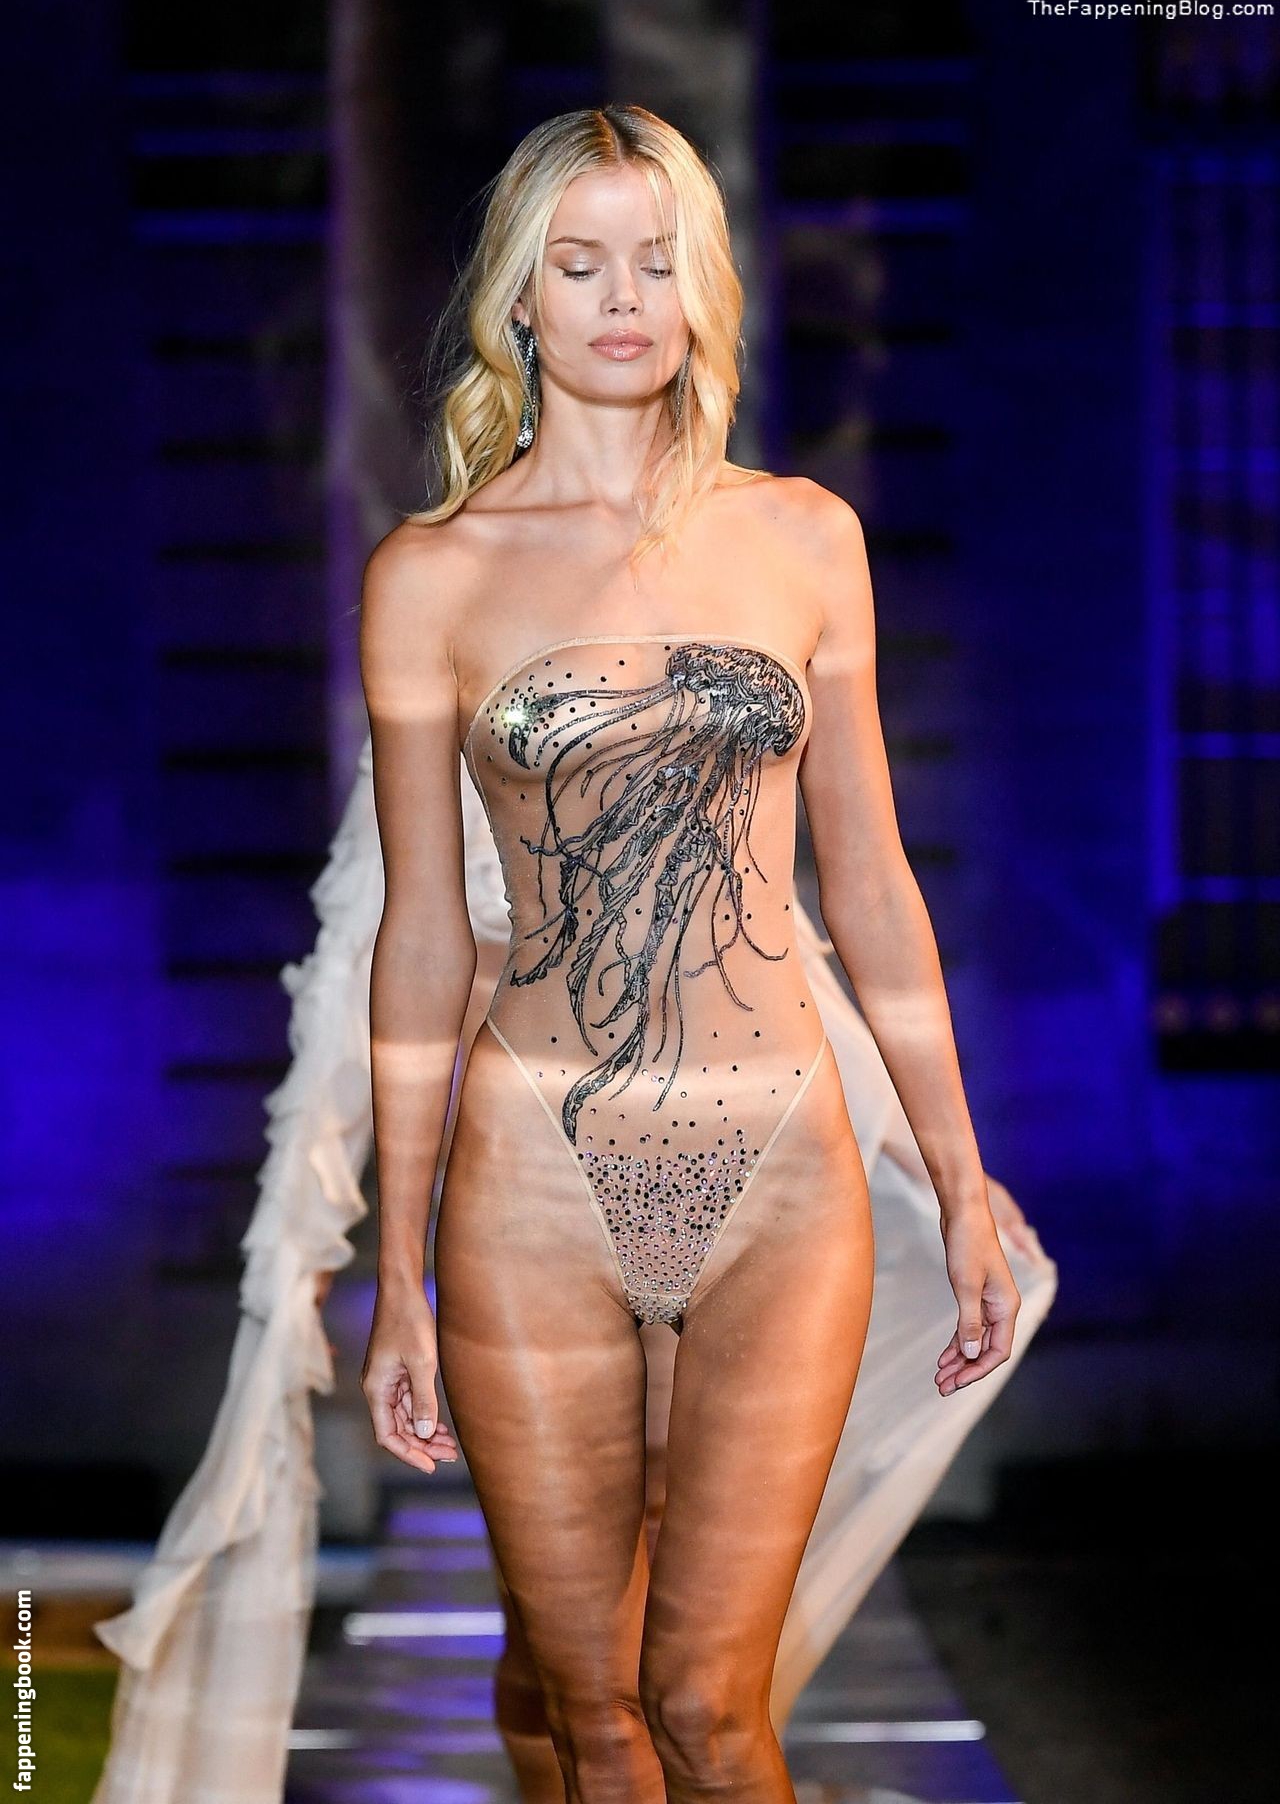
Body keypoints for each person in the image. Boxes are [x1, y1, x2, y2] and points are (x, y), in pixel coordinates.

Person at [89, 104, 1056, 1804]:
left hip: (785, 1168)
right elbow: (419, 937)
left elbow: (874, 884)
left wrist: (961, 1183)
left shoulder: (804, 538)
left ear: (704, 288)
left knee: (708, 1708)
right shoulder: (433, 576)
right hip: (533, 1174)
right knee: (591, 1713)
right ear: (518, 300)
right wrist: (399, 1275)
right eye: (580, 262)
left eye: (657, 260)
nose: (622, 298)